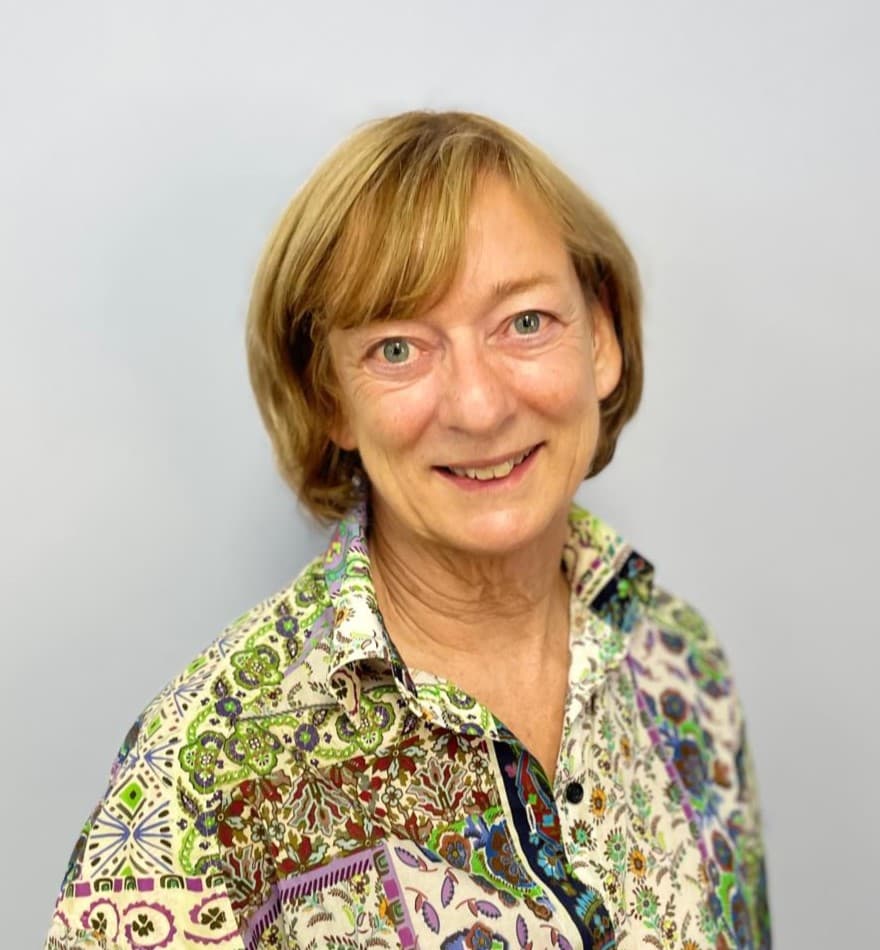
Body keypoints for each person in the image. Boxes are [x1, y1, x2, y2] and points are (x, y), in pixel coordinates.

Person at [45, 110, 770, 950]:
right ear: (329, 400)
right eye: (398, 349)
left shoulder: (681, 664)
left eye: (525, 322)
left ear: (601, 338)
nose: (479, 404)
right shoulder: (206, 770)